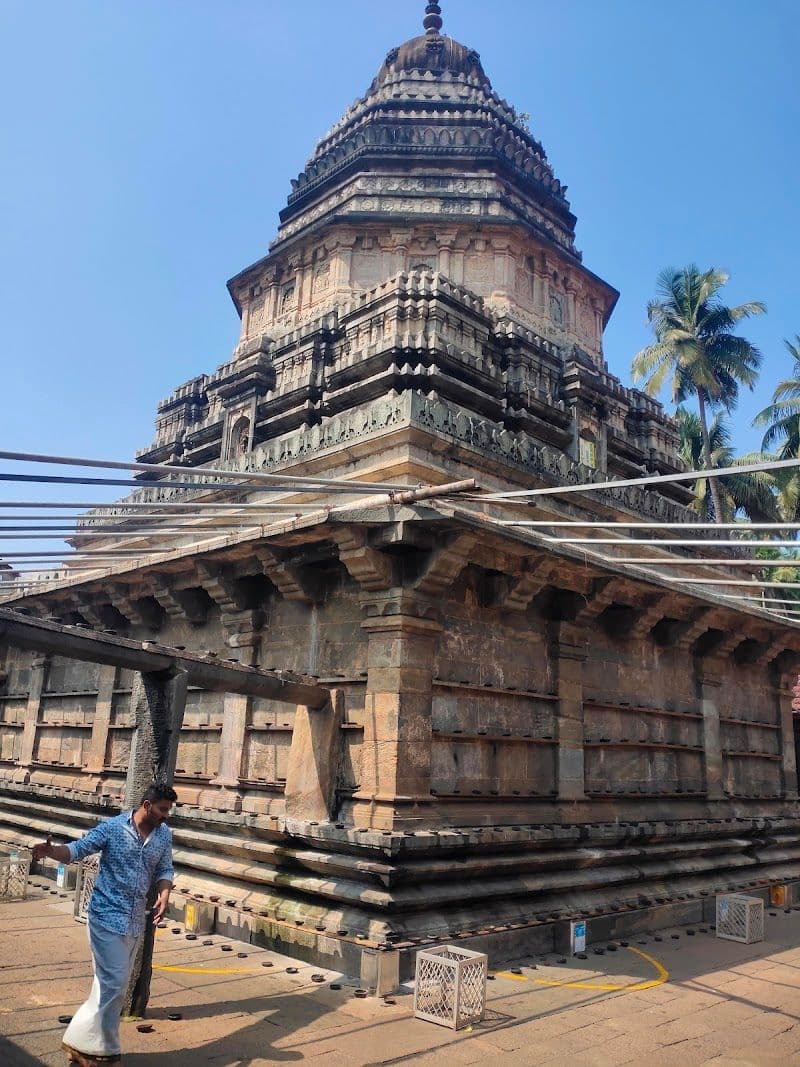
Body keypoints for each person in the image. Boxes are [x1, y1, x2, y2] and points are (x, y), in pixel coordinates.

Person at [32, 783, 177, 1067]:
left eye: (169, 810)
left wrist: (164, 893)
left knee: (108, 985)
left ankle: (81, 1043)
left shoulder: (163, 836)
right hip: (105, 916)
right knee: (115, 983)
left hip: (135, 920)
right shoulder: (113, 828)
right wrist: (51, 852)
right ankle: (105, 1051)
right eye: (163, 809)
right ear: (147, 806)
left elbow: (165, 868)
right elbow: (77, 850)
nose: (166, 815)